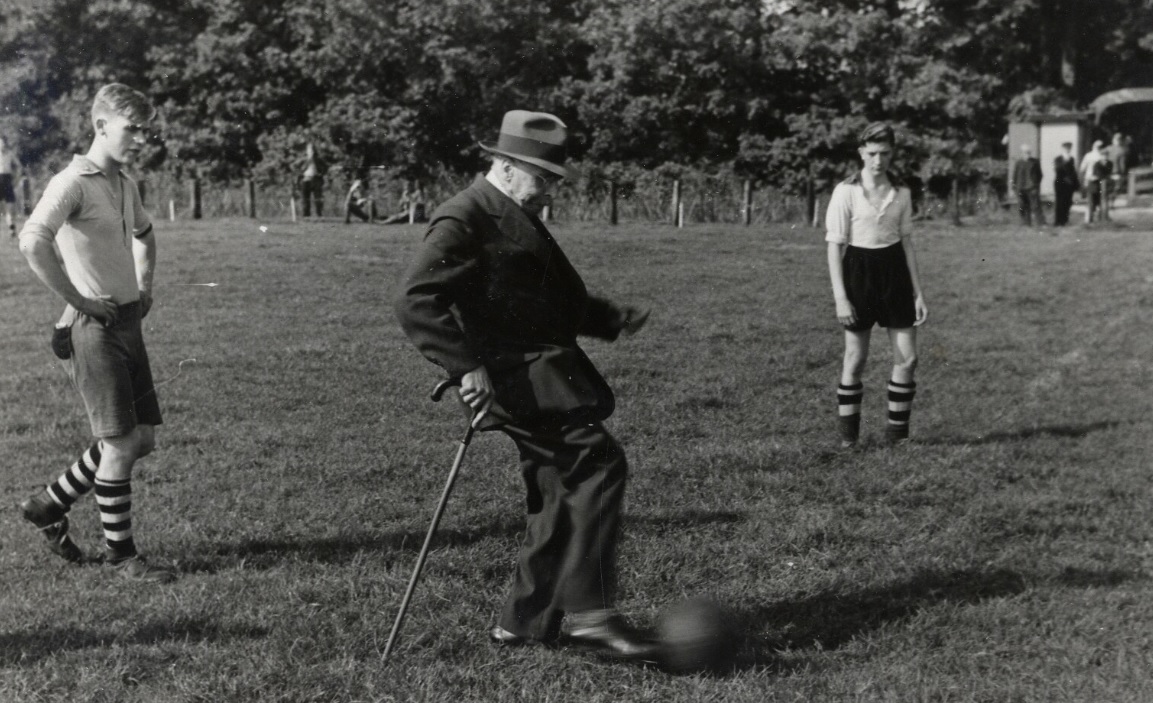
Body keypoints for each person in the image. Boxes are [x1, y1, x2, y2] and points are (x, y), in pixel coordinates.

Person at [394, 110, 656, 660]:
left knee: (563, 489)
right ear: (506, 165)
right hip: (518, 381)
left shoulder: (509, 210)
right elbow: (417, 299)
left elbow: (538, 296)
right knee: (597, 464)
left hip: (541, 374)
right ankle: (591, 617)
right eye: (541, 178)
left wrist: (608, 317)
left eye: (553, 180)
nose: (548, 192)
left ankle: (524, 621)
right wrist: (466, 367)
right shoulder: (464, 217)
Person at [16, 83, 175, 583]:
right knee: (122, 443)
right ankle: (122, 557)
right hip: (91, 326)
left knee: (141, 439)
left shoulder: (124, 184)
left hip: (128, 323)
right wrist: (80, 300)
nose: (142, 138)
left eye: (147, 129)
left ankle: (48, 504)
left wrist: (144, 285)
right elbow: (31, 239)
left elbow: (146, 234)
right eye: (133, 129)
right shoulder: (72, 181)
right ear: (101, 126)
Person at [825, 122, 928, 449]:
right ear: (861, 152)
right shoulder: (846, 191)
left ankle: (897, 438)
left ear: (892, 153)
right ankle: (848, 441)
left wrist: (918, 292)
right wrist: (841, 298)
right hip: (858, 273)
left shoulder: (902, 191)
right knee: (855, 359)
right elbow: (834, 247)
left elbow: (907, 241)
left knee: (908, 359)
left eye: (884, 153)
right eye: (871, 153)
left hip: (894, 273)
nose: (878, 160)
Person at [1010, 144, 1044, 226]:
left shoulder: (1035, 162)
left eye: (1029, 152)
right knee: (1022, 206)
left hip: (1032, 187)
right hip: (1021, 187)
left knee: (1036, 206)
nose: (1027, 154)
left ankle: (1040, 223)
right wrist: (1013, 186)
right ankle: (1026, 223)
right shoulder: (1018, 162)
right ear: (1022, 153)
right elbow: (1015, 175)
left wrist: (1036, 184)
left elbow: (1040, 175)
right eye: (1025, 152)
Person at [1080, 140, 1110, 222]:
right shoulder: (1089, 156)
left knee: (1099, 200)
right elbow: (1082, 168)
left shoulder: (1103, 156)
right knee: (1091, 200)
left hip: (1100, 180)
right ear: (1093, 146)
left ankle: (1100, 218)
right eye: (1097, 146)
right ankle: (1089, 218)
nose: (1098, 148)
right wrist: (1085, 180)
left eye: (1100, 147)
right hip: (1091, 179)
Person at [1053, 141, 1079, 227]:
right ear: (1063, 149)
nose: (1068, 150)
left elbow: (1073, 172)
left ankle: (1065, 220)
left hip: (1069, 184)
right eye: (1066, 148)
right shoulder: (1058, 159)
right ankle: (1058, 221)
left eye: (1069, 148)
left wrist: (1076, 184)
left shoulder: (1071, 159)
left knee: (1067, 202)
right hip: (1060, 183)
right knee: (1059, 202)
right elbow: (1058, 170)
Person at [0, 133, 21, 236]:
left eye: (3, 143)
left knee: (10, 207)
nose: (2, 145)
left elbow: (19, 167)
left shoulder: (10, 154)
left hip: (7, 180)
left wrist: (16, 180)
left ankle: (12, 229)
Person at [299, 141, 324, 218]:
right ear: (307, 151)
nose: (311, 151)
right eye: (309, 149)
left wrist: (321, 173)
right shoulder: (304, 159)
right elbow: (298, 168)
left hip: (315, 179)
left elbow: (325, 168)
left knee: (318, 198)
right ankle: (306, 215)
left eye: (312, 149)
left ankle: (319, 214)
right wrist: (308, 161)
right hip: (306, 179)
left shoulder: (318, 159)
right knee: (305, 199)